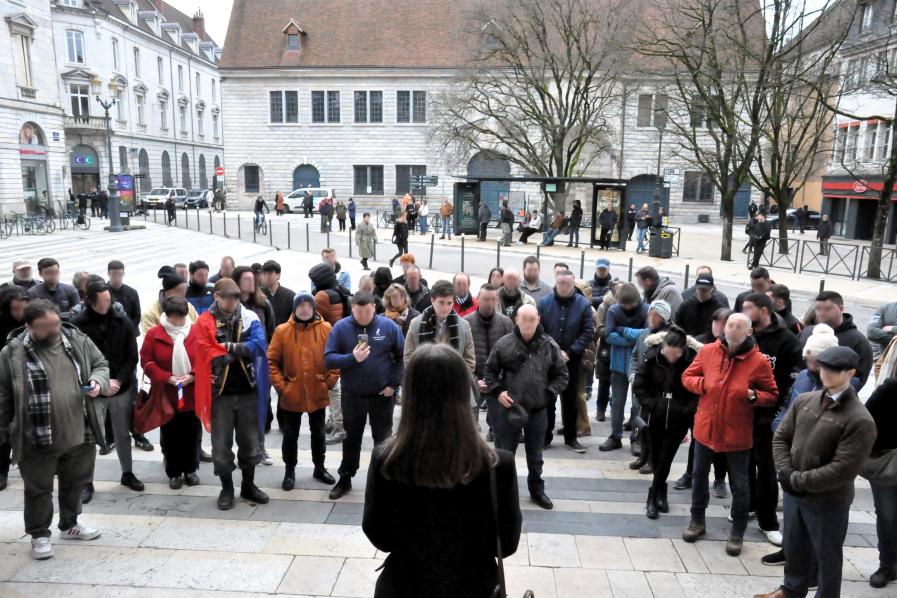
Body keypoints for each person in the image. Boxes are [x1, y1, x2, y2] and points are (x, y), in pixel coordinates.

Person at [363, 344, 522, 597]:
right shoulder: (497, 465)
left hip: (405, 586)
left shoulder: (386, 460)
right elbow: (507, 543)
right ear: (462, 392)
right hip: (473, 587)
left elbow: (380, 536)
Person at [754, 347, 876, 598]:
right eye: (824, 366)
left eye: (834, 369)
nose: (826, 373)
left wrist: (795, 480)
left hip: (827, 501)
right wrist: (786, 472)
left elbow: (841, 470)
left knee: (826, 556)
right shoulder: (805, 400)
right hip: (795, 493)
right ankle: (791, 589)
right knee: (794, 546)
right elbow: (781, 437)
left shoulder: (860, 419)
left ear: (851, 372)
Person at [0, 300, 109, 560]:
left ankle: (70, 524)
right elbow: (3, 395)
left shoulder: (77, 340)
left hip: (80, 431)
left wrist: (97, 381)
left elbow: (101, 364)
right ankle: (39, 534)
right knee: (38, 489)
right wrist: (5, 429)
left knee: (75, 482)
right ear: (28, 326)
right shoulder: (12, 353)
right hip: (36, 436)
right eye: (45, 326)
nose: (53, 330)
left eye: (55, 324)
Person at [681, 313, 778, 556]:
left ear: (749, 332)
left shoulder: (759, 361)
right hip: (706, 429)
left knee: (741, 485)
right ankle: (697, 521)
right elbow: (688, 377)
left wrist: (753, 395)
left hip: (737, 433)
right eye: (730, 325)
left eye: (739, 326)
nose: (732, 329)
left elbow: (772, 394)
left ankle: (737, 533)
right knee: (699, 477)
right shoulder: (708, 352)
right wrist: (703, 385)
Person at [192, 278, 270, 510]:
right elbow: (206, 352)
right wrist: (238, 350)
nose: (233, 301)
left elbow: (259, 346)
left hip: (248, 391)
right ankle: (226, 488)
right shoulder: (205, 321)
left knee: (250, 442)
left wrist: (227, 347)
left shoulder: (249, 317)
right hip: (220, 395)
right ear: (217, 296)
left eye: (236, 297)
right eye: (228, 297)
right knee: (221, 446)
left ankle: (248, 485)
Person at [485, 304, 568, 510]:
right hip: (509, 409)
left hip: (537, 411)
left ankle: (537, 490)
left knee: (535, 455)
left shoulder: (550, 345)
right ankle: (503, 492)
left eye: (532, 319)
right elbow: (490, 372)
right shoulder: (504, 344)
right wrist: (498, 391)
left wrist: (547, 395)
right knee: (504, 453)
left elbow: (562, 375)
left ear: (538, 320)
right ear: (516, 320)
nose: (528, 324)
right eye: (524, 319)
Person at [324, 291, 405, 500]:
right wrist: (353, 358)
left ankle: (383, 480)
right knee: (351, 438)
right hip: (353, 395)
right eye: (359, 312)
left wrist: (393, 384)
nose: (363, 317)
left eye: (367, 312)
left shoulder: (388, 326)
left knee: (383, 440)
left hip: (382, 395)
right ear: (352, 309)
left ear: (374, 308)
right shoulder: (341, 328)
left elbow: (401, 357)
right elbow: (329, 359)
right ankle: (346, 477)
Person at [741, 293, 803, 547]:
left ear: (764, 311)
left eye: (748, 308)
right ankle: (747, 505)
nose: (743, 312)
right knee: (743, 465)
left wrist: (779, 413)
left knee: (766, 469)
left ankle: (768, 522)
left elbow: (793, 380)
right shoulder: (745, 336)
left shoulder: (786, 339)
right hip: (743, 413)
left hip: (769, 416)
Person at [72, 282, 143, 493]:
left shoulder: (122, 321)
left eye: (108, 300)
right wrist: (99, 384)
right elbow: (76, 362)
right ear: (90, 301)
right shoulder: (78, 326)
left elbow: (132, 356)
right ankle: (86, 481)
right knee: (89, 437)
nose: (105, 304)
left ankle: (127, 473)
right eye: (101, 301)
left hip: (120, 386)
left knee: (123, 433)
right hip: (92, 388)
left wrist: (118, 381)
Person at [268, 292, 338, 491]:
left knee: (319, 433)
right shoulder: (283, 331)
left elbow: (334, 356)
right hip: (293, 393)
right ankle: (289, 471)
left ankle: (319, 468)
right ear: (294, 308)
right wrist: (282, 387)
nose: (304, 309)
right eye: (301, 305)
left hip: (318, 390)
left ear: (314, 308)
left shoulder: (326, 328)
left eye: (308, 305)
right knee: (290, 434)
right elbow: (272, 361)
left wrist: (329, 381)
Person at [633, 327, 699, 519]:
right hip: (654, 416)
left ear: (681, 351)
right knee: (656, 456)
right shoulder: (651, 359)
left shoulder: (691, 362)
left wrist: (686, 409)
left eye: (674, 355)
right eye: (667, 353)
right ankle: (660, 491)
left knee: (666, 458)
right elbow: (639, 385)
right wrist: (651, 404)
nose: (670, 358)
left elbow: (697, 391)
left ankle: (653, 496)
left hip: (679, 419)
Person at [140, 297, 201, 489]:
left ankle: (191, 469)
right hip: (167, 393)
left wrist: (193, 375)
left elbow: (206, 359)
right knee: (170, 434)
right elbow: (146, 361)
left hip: (191, 392)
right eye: (175, 318)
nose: (179, 322)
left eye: (182, 318)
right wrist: (166, 377)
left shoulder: (197, 332)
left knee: (192, 433)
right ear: (166, 316)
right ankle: (174, 472)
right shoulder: (154, 334)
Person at [538, 269, 595, 452]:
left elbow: (588, 332)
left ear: (573, 284)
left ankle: (571, 438)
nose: (564, 287)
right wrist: (555, 352)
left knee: (571, 401)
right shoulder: (544, 303)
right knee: (548, 400)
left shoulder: (583, 304)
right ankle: (545, 437)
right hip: (549, 361)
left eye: (568, 284)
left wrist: (570, 352)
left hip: (573, 361)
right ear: (556, 283)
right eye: (560, 283)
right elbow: (540, 331)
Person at [860, 374, 897, 589]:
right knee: (888, 515)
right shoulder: (890, 389)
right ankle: (887, 565)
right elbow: (864, 421)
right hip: (886, 464)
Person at [626, 300, 673, 463]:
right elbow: (634, 356)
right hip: (639, 384)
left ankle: (651, 454)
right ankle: (637, 442)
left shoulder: (671, 336)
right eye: (650, 313)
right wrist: (632, 374)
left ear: (663, 317)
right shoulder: (644, 333)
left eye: (655, 314)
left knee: (654, 420)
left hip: (657, 389)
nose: (651, 317)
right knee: (637, 413)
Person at [466, 284, 513, 441]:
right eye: (486, 299)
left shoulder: (506, 323)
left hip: (498, 380)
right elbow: (462, 357)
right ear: (478, 299)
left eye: (493, 299)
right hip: (473, 379)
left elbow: (510, 356)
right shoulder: (466, 323)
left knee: (499, 427)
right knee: (469, 426)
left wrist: (495, 380)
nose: (489, 303)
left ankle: (495, 436)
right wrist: (476, 380)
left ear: (497, 300)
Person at [799, 291, 873, 388]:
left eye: (828, 309)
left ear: (841, 309)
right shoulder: (807, 332)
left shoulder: (858, 342)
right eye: (818, 309)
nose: (821, 313)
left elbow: (858, 379)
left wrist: (829, 392)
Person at [403, 279, 475, 377]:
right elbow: (408, 358)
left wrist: (456, 380)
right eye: (441, 302)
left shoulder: (464, 326)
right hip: (424, 381)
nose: (445, 307)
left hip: (454, 382)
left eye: (449, 303)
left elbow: (469, 362)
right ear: (432, 300)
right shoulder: (416, 324)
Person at [0, 287, 30, 490]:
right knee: (4, 427)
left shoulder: (32, 321)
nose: (21, 313)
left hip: (27, 380)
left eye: (24, 308)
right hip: (4, 380)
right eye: (16, 309)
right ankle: (2, 469)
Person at [140, 266, 198, 334]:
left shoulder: (189, 307)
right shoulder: (150, 314)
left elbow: (199, 330)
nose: (182, 295)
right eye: (178, 291)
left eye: (184, 290)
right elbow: (150, 339)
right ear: (167, 293)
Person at [675, 273, 727, 338]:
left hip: (709, 342)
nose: (701, 292)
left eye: (705, 290)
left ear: (712, 288)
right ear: (695, 287)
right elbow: (677, 327)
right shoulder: (685, 306)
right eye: (699, 289)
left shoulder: (719, 309)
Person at [258, 260, 295, 327]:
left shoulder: (290, 295)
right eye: (264, 273)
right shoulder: (257, 294)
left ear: (278, 275)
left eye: (270, 273)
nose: (266, 276)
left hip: (284, 331)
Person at [106, 260, 141, 326]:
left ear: (123, 274)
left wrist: (127, 329)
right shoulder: (102, 293)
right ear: (108, 274)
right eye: (114, 274)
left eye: (119, 274)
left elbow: (137, 317)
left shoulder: (132, 292)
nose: (116, 277)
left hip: (129, 329)